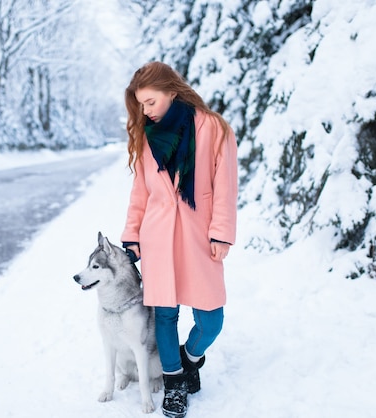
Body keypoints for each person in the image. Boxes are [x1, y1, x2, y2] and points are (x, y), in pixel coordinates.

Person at [120, 62, 238, 418]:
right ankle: (174, 384)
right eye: (140, 104)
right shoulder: (145, 136)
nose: (145, 110)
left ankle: (190, 359)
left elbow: (225, 186)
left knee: (211, 319)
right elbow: (140, 192)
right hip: (157, 237)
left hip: (199, 236)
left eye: (150, 102)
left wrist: (222, 232)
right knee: (166, 314)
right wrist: (132, 236)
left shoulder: (213, 128)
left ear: (172, 92)